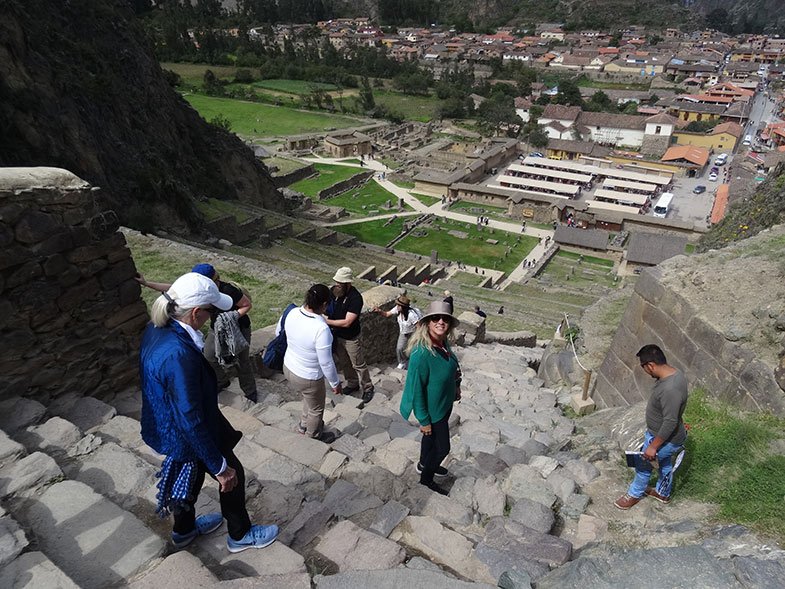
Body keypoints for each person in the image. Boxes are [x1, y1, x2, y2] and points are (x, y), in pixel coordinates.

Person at [139, 272, 278, 553]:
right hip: (188, 427)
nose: (212, 316)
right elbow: (189, 416)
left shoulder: (158, 328)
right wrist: (219, 467)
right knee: (232, 473)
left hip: (167, 421)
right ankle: (240, 534)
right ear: (195, 313)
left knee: (190, 475)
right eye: (211, 311)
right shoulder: (178, 354)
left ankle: (184, 530)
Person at [137, 263, 258, 403]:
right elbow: (173, 289)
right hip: (217, 328)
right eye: (211, 309)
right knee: (208, 356)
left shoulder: (228, 290)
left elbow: (246, 304)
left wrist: (230, 317)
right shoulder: (180, 351)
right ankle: (222, 381)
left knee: (242, 361)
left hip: (238, 328)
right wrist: (146, 283)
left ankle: (250, 391)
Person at [615, 344, 688, 510]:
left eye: (644, 368)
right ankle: (663, 492)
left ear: (650, 365)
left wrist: (653, 446)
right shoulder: (676, 374)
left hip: (663, 439)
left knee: (643, 466)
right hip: (669, 436)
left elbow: (670, 421)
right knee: (665, 464)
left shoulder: (670, 389)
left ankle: (633, 494)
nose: (646, 373)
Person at [400, 301, 462, 495]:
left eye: (445, 319)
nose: (441, 321)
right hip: (432, 412)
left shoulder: (442, 344)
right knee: (442, 448)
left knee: (429, 441)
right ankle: (426, 480)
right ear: (427, 323)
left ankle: (423, 463)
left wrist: (456, 387)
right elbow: (416, 390)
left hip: (443, 406)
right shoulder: (421, 354)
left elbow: (450, 368)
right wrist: (424, 420)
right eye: (436, 318)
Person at [284, 284, 342, 443]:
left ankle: (303, 425)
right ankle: (313, 436)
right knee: (316, 408)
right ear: (324, 305)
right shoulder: (321, 329)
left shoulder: (292, 312)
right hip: (308, 376)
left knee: (308, 398)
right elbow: (326, 362)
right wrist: (335, 383)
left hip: (289, 366)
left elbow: (279, 332)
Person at [325, 267, 374, 403]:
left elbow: (347, 322)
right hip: (337, 335)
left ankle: (368, 387)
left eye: (340, 283)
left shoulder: (355, 298)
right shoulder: (333, 292)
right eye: (336, 282)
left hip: (351, 337)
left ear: (348, 284)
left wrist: (326, 321)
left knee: (358, 364)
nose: (337, 285)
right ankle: (352, 383)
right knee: (345, 363)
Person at [374, 295, 421, 370]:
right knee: (399, 348)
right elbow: (387, 314)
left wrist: (418, 338)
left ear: (404, 307)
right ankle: (402, 362)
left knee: (412, 349)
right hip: (403, 332)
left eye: (399, 305)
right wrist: (379, 311)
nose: (397, 306)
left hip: (412, 333)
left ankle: (411, 363)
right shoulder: (397, 309)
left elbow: (419, 327)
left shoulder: (411, 315)